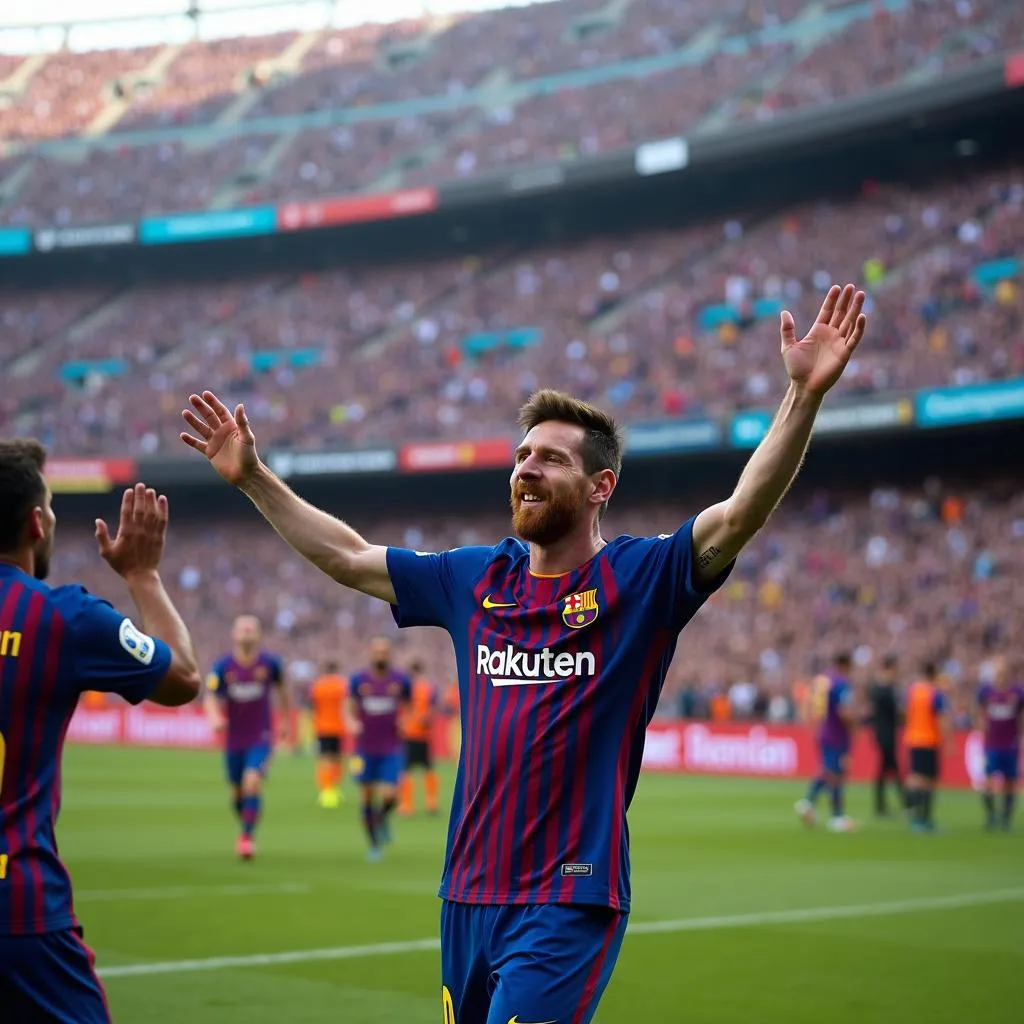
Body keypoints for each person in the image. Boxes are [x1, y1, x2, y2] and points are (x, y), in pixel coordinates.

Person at [181, 283, 867, 1024]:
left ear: (600, 486)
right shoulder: (474, 578)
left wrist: (801, 397)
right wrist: (252, 477)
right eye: (522, 455)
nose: (527, 468)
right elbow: (348, 557)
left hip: (567, 895)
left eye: (550, 459)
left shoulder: (640, 579)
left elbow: (741, 513)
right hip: (467, 891)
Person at [0, 443, 201, 1023]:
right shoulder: (61, 617)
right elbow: (182, 676)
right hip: (23, 914)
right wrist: (143, 575)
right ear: (37, 522)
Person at [204, 615, 290, 860]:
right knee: (237, 793)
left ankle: (246, 838)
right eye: (242, 629)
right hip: (234, 739)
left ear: (258, 635)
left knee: (252, 782)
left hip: (261, 736)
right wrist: (214, 717)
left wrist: (284, 721)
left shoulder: (271, 664)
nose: (246, 633)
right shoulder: (222, 667)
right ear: (234, 634)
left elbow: (283, 693)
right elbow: (210, 696)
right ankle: (247, 823)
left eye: (250, 629)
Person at [346, 635, 412, 861]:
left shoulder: (400, 680)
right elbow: (348, 708)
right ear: (371, 654)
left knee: (390, 795)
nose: (381, 655)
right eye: (377, 652)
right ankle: (374, 845)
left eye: (384, 652)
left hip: (391, 747)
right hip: (364, 749)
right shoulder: (359, 681)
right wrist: (351, 722)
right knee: (366, 796)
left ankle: (381, 818)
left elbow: (409, 706)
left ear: (389, 654)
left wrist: (406, 720)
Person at [795, 653, 859, 832]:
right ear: (846, 664)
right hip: (836, 734)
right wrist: (854, 725)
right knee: (836, 774)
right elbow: (844, 711)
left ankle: (809, 802)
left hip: (823, 730)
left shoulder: (823, 680)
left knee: (829, 769)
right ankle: (836, 816)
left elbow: (809, 702)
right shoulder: (841, 683)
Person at [976, 655, 1024, 831]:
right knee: (988, 780)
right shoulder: (986, 691)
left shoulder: (1018, 692)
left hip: (1010, 744)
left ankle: (1006, 817)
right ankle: (991, 815)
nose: (1000, 673)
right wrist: (980, 727)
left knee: (1010, 782)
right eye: (998, 670)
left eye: (1003, 669)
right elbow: (979, 712)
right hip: (991, 744)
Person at [903, 661, 951, 833]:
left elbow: (904, 713)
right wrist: (948, 740)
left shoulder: (912, 691)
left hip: (913, 738)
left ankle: (913, 813)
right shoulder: (935, 693)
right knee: (929, 781)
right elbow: (942, 719)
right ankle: (924, 819)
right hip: (930, 739)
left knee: (915, 778)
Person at [399, 658, 441, 816]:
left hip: (409, 733)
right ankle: (432, 803)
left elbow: (401, 708)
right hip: (424, 734)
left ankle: (407, 805)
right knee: (428, 768)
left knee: (406, 770)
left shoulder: (406, 687)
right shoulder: (429, 687)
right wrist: (426, 719)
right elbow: (434, 708)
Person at [868, 653, 905, 817]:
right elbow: (894, 713)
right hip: (886, 734)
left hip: (883, 733)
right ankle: (905, 802)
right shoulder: (885, 689)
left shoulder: (878, 688)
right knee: (890, 768)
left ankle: (883, 805)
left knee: (886, 769)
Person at [310, 659, 348, 808]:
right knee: (337, 759)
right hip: (338, 727)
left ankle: (326, 791)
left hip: (322, 727)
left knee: (324, 759)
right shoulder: (343, 685)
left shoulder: (318, 685)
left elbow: (313, 705)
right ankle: (335, 787)